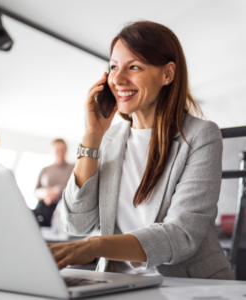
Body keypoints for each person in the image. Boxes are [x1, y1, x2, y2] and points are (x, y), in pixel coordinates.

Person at [49, 21, 234, 280]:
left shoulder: (200, 135)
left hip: (186, 284)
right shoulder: (109, 138)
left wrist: (95, 246)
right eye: (113, 67)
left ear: (168, 74)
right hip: (119, 283)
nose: (118, 79)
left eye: (134, 67)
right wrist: (92, 137)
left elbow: (182, 235)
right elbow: (76, 224)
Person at [33, 139, 74, 227]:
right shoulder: (45, 170)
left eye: (62, 150)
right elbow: (35, 191)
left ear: (66, 150)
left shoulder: (73, 168)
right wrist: (45, 193)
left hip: (62, 207)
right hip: (43, 206)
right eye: (57, 150)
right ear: (52, 151)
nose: (60, 152)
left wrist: (57, 190)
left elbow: (76, 187)